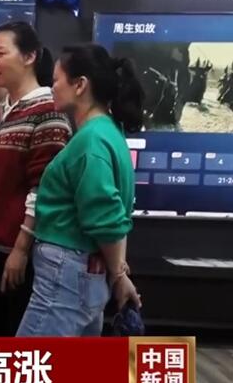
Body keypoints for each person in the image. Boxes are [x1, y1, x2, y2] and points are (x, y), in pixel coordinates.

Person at [17, 44, 144, 336]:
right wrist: (118, 271)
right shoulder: (108, 133)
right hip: (83, 274)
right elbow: (116, 216)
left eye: (57, 80)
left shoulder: (90, 142)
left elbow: (106, 218)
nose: (52, 87)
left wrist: (118, 274)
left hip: (66, 276)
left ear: (80, 85)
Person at [0, 21, 72, 336]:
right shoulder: (0, 111)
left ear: (29, 57)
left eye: (0, 53)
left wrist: (21, 249)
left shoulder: (48, 112)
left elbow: (44, 190)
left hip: (15, 256)